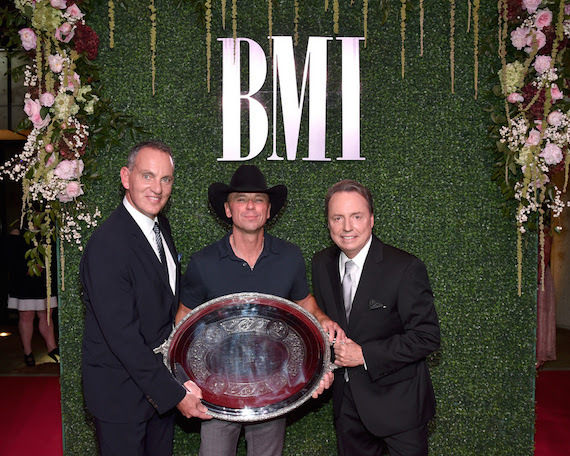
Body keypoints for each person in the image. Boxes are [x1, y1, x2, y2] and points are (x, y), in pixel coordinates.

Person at [176, 164, 344, 456]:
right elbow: (182, 322)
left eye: (259, 200)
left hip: (272, 389)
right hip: (217, 393)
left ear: (268, 211)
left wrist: (323, 318)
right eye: (241, 199)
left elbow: (305, 303)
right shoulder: (203, 262)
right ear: (228, 209)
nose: (250, 206)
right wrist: (184, 384)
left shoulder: (289, 257)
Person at [80, 140, 210, 456]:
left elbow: (163, 312)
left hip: (157, 392)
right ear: (126, 177)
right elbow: (123, 337)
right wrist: (175, 394)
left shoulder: (159, 225)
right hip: (120, 396)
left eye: (165, 179)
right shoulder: (107, 245)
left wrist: (178, 379)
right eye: (147, 176)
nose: (157, 188)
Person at [312, 179, 440, 456]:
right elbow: (326, 325)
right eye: (338, 218)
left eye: (356, 217)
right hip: (347, 410)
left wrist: (365, 355)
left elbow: (426, 337)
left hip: (400, 411)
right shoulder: (321, 263)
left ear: (371, 219)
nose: (347, 227)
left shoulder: (406, 267)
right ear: (329, 223)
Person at [6, 227, 59, 367]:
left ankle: (52, 348)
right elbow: (10, 258)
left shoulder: (48, 230)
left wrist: (43, 266)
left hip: (43, 280)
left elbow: (54, 255)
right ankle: (28, 352)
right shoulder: (17, 233)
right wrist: (28, 267)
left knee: (47, 314)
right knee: (26, 316)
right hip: (24, 281)